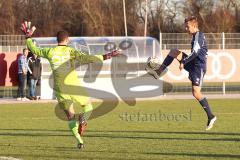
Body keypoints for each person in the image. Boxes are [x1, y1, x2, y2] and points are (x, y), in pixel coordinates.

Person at [25, 30, 120, 149]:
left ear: (57, 40)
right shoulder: (70, 51)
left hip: (60, 88)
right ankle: (83, 120)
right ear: (67, 39)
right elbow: (88, 58)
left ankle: (80, 141)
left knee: (70, 116)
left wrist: (28, 37)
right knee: (88, 106)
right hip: (73, 85)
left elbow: (34, 50)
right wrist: (108, 55)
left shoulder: (49, 51)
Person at [146, 16, 217, 130]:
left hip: (199, 67)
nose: (185, 29)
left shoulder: (199, 36)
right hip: (193, 63)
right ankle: (159, 71)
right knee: (174, 51)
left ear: (194, 26)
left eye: (187, 26)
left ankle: (211, 116)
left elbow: (195, 52)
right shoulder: (195, 36)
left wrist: (183, 62)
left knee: (196, 93)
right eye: (185, 26)